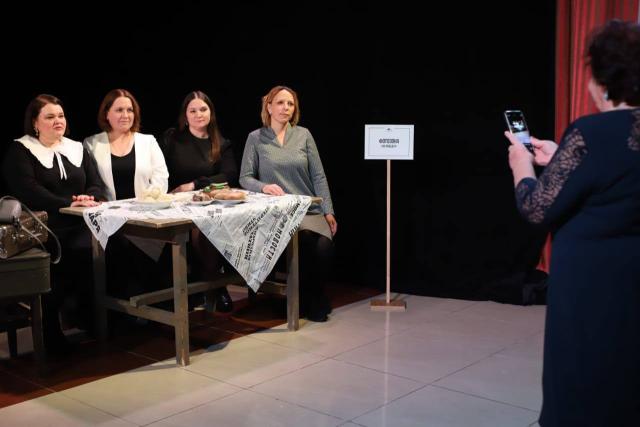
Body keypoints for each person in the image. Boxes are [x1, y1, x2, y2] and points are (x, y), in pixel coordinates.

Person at [505, 20, 640, 427]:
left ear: (602, 80)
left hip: (589, 286)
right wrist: (562, 155)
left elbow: (536, 207)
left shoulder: (590, 131)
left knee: (584, 379)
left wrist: (522, 165)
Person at [2, 94, 106, 353]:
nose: (58, 121)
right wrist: (68, 202)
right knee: (69, 256)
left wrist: (88, 198)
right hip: (44, 227)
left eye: (60, 116)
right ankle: (51, 330)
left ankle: (94, 321)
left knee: (102, 250)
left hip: (81, 222)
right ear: (35, 123)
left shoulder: (76, 148)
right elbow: (28, 190)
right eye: (50, 117)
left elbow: (95, 183)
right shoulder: (21, 149)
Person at [239, 85, 337, 322]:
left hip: (309, 208)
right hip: (279, 213)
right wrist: (263, 187)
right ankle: (305, 300)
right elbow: (245, 177)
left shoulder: (304, 135)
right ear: (269, 107)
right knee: (304, 241)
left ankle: (315, 295)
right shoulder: (256, 138)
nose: (286, 108)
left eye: (290, 104)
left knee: (324, 246)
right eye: (281, 103)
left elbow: (318, 176)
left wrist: (328, 211)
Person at [84, 89, 169, 298]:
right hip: (110, 220)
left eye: (130, 110)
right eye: (119, 110)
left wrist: (146, 203)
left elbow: (161, 178)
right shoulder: (92, 144)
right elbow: (92, 183)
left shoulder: (147, 141)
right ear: (106, 114)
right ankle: (124, 304)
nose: (126, 115)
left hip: (145, 216)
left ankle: (152, 302)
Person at [160, 90, 238, 312]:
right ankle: (209, 286)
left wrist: (195, 184)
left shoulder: (221, 143)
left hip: (209, 206)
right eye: (192, 110)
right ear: (185, 115)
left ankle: (213, 285)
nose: (198, 114)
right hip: (175, 206)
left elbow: (229, 176)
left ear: (211, 113)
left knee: (205, 229)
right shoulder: (172, 139)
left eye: (203, 109)